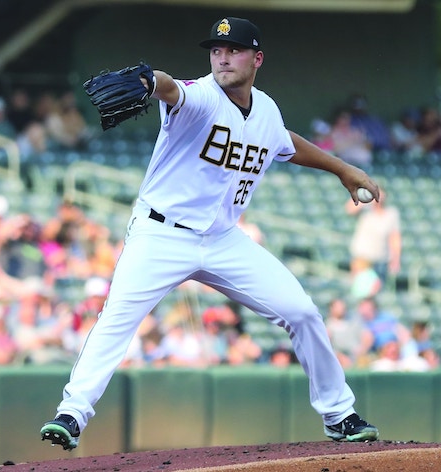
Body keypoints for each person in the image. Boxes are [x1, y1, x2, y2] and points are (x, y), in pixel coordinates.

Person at [40, 16, 380, 451]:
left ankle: (340, 415)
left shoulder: (267, 110)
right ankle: (71, 414)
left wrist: (343, 169)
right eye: (216, 50)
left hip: (223, 239)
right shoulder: (201, 97)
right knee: (117, 318)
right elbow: (169, 86)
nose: (222, 56)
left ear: (257, 59)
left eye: (234, 49)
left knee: (302, 312)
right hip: (160, 233)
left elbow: (285, 141)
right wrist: (148, 80)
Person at [345, 189, 401, 287]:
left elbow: (395, 237)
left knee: (377, 289)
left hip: (381, 259)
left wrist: (396, 258)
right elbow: (349, 209)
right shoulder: (366, 210)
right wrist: (365, 197)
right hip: (363, 257)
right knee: (361, 288)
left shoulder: (391, 213)